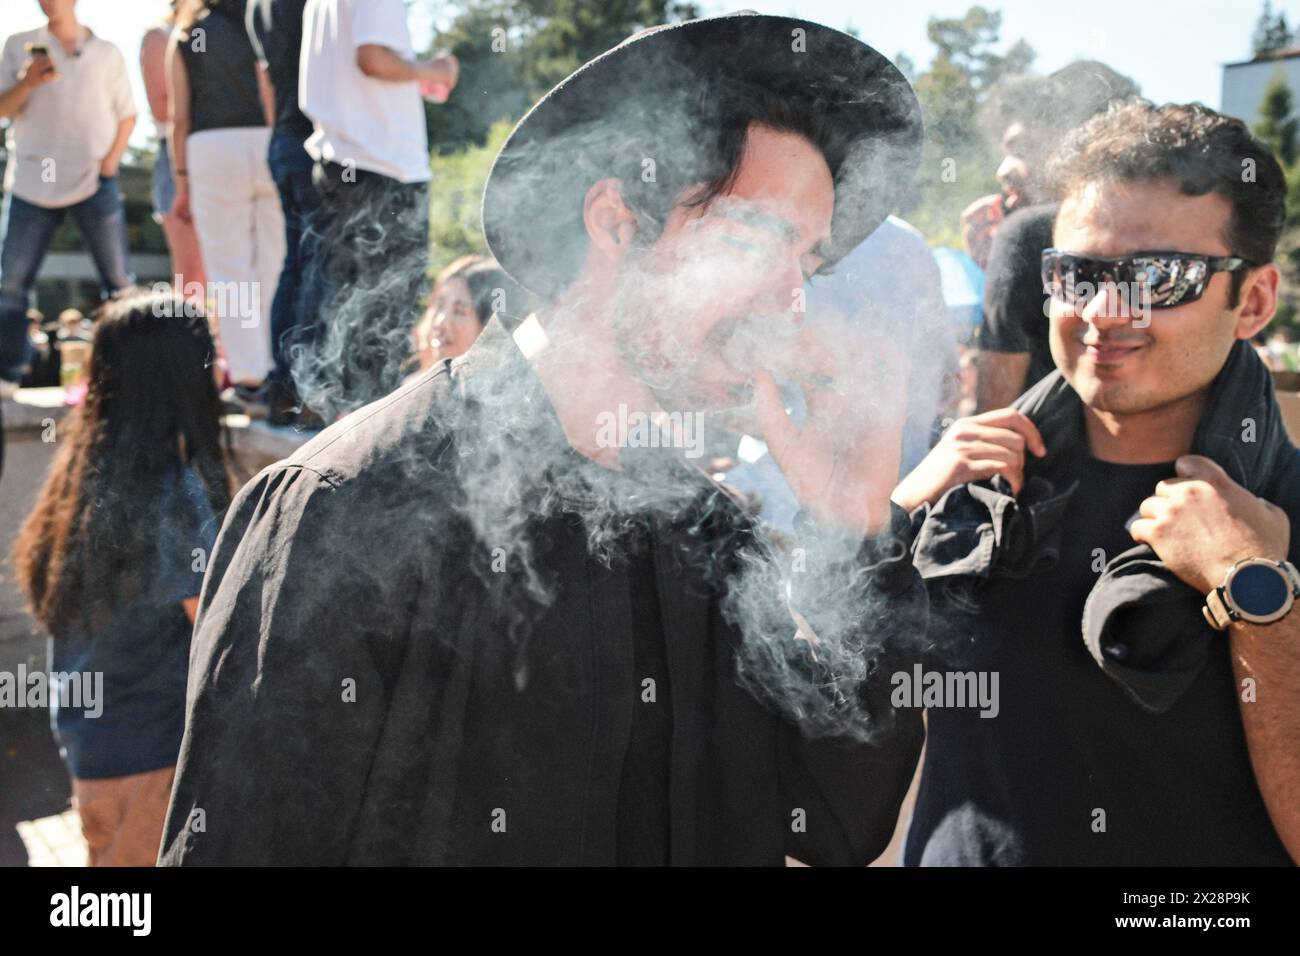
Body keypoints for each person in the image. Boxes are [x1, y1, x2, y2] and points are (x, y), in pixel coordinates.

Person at [159, 13, 929, 866]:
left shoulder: (713, 537)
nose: (792, 300)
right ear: (614, 221)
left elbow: (836, 821)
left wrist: (859, 532)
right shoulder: (347, 507)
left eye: (809, 263)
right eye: (756, 237)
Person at [893, 101, 1299, 865]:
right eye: (1080, 274)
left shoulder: (1276, 514)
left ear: (1251, 301)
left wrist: (1254, 592)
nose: (1107, 312)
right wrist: (889, 520)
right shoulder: (975, 489)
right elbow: (833, 724)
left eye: (1161, 277)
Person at [11, 290, 231, 866]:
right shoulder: (175, 495)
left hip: (93, 748)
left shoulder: (86, 471)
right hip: (151, 758)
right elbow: (218, 636)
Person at [295, 0, 459, 417]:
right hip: (383, 168)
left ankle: (339, 423)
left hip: (341, 162)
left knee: (350, 311)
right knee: (383, 319)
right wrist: (433, 70)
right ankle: (369, 438)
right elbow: (373, 59)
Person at [967, 62, 1138, 411]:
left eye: (1022, 148)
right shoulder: (1156, 229)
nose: (1004, 170)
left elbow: (991, 419)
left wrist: (1010, 247)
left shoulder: (1025, 233)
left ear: (1076, 146)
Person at [0, 0, 136, 399]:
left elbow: (128, 115)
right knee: (11, 284)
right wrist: (26, 82)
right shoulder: (18, 44)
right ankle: (6, 375)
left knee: (120, 285)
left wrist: (109, 166)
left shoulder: (107, 52)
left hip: (94, 180)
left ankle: (128, 377)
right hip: (30, 181)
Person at [168, 0, 284, 391]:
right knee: (276, 261)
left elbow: (179, 118)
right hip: (267, 137)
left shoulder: (187, 33)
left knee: (229, 271)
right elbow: (269, 84)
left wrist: (182, 183)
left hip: (211, 149)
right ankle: (275, 366)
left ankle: (249, 375)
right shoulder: (262, 19)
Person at [246, 0, 321, 426]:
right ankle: (309, 391)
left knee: (294, 266)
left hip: (284, 139)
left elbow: (266, 83)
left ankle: (284, 390)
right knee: (316, 266)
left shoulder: (257, 6)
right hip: (314, 138)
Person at [141, 3, 206, 302]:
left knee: (227, 272)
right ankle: (192, 347)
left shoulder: (222, 27)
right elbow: (161, 106)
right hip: (177, 156)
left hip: (214, 152)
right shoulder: (159, 36)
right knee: (192, 275)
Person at [409, 255, 526, 373]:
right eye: (439, 306)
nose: (440, 323)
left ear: (493, 326)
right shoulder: (414, 386)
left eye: (459, 312)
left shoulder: (508, 388)